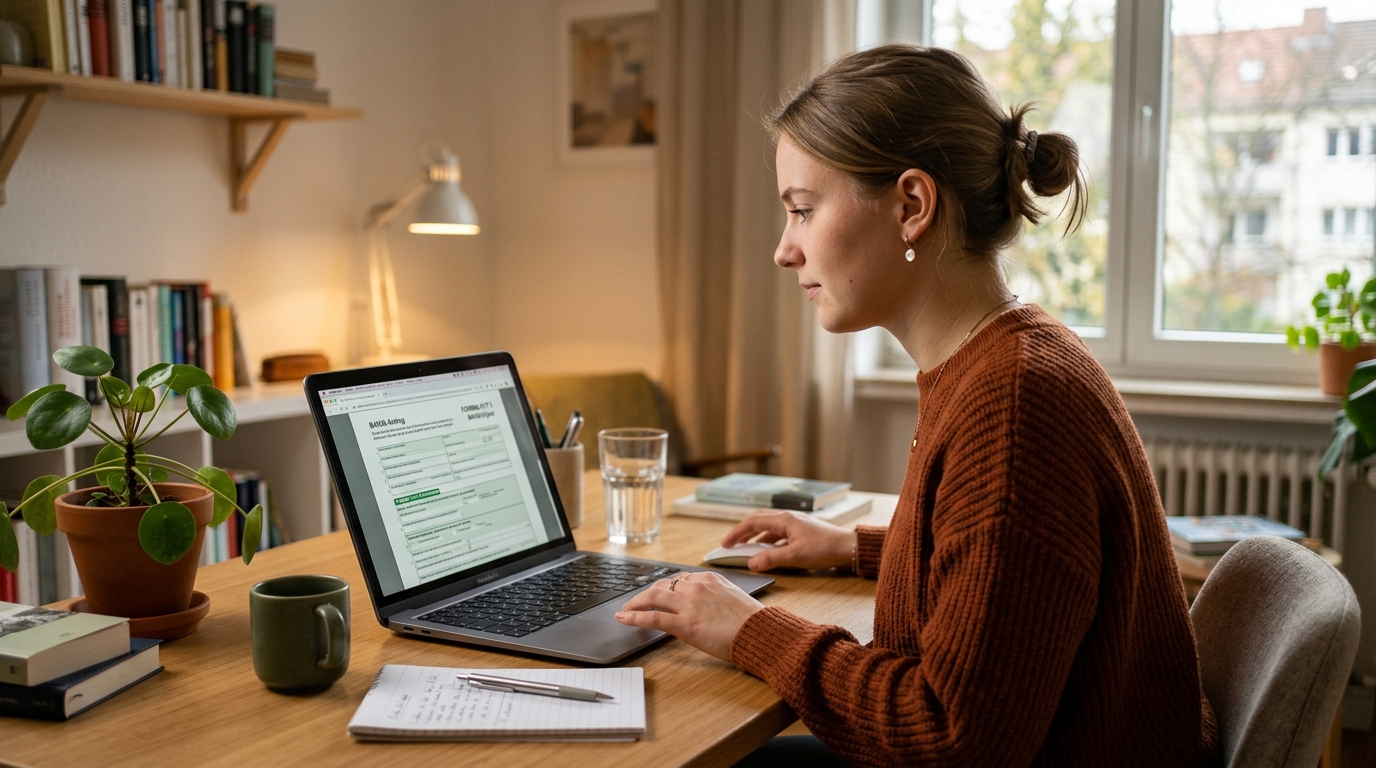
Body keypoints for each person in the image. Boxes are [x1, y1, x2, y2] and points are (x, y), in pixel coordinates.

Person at [614, 43, 1220, 767]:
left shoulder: (1015, 408)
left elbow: (954, 738)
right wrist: (854, 547)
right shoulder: (1010, 353)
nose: (784, 249)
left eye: (803, 210)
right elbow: (998, 575)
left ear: (912, 205)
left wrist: (751, 630)